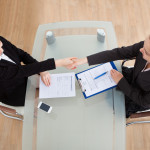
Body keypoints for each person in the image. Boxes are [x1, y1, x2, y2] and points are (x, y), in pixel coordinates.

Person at [70, 35, 150, 117]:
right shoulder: (145, 46)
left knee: (100, 112)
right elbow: (117, 53)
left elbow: (143, 101)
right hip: (130, 76)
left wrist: (121, 82)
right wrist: (84, 60)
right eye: (144, 45)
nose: (140, 50)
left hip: (135, 98)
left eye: (146, 52)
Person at [0, 36, 76, 106]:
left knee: (52, 85)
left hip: (24, 77)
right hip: (13, 93)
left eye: (0, 46)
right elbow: (22, 71)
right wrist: (60, 62)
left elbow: (21, 54)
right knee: (44, 103)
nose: (2, 50)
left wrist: (41, 70)